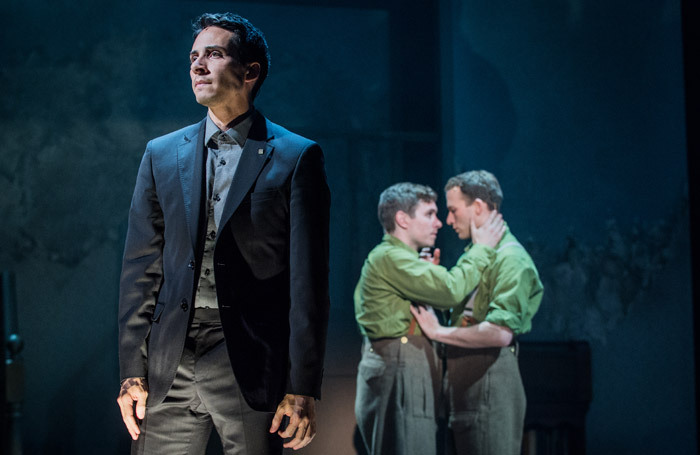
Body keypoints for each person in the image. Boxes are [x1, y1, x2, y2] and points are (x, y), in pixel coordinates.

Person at [116, 12, 330, 454]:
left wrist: (302, 384)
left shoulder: (295, 156)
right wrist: (131, 369)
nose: (197, 65)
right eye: (193, 56)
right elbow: (141, 267)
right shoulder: (160, 154)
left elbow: (308, 282)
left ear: (250, 71)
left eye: (213, 54)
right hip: (168, 359)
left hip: (249, 359)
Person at [353, 182, 504, 455]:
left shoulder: (397, 259)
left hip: (407, 363)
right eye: (429, 214)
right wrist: (482, 249)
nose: (438, 223)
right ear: (402, 219)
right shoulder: (390, 257)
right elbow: (450, 290)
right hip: (401, 365)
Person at [411, 170, 543, 455]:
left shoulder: (511, 259)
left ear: (479, 207)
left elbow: (499, 333)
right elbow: (468, 313)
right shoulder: (479, 253)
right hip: (467, 386)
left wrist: (437, 332)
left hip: (489, 384)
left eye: (453, 210)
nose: (447, 220)